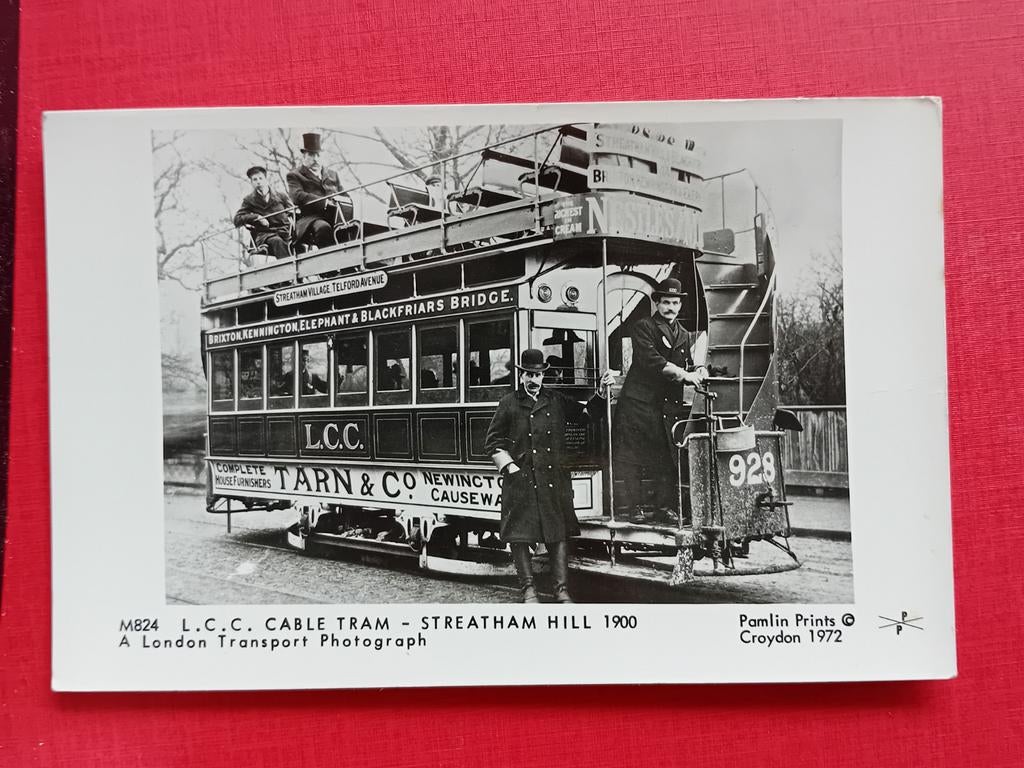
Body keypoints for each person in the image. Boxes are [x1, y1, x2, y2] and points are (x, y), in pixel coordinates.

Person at [485, 349, 615, 604]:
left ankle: (561, 591)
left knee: (557, 535)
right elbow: (492, 443)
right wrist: (510, 468)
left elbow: (586, 415)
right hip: (521, 481)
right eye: (529, 375)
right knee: (519, 536)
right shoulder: (508, 403)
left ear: (544, 375)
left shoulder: (556, 400)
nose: (533, 380)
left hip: (553, 480)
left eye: (538, 375)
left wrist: (601, 392)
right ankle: (528, 590)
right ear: (521, 375)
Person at [613, 278, 708, 525]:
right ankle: (634, 508)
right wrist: (685, 375)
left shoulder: (684, 334)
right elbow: (652, 361)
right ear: (657, 303)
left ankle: (663, 508)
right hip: (638, 405)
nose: (671, 307)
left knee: (666, 456)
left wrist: (699, 368)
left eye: (675, 302)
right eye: (666, 302)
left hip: (667, 406)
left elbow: (690, 361)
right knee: (634, 457)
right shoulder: (643, 327)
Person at [286, 132, 343, 249]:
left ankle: (351, 264)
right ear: (304, 156)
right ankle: (331, 263)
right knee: (323, 228)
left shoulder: (332, 174)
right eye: (311, 155)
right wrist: (323, 202)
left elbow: (344, 194)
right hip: (311, 218)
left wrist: (344, 202)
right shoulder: (295, 175)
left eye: (318, 155)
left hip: (335, 216)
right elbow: (296, 196)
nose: (316, 159)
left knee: (354, 227)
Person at [232, 166, 293, 261]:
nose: (258, 182)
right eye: (255, 179)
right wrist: (257, 217)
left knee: (300, 244)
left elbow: (293, 212)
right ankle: (289, 270)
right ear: (252, 183)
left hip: (284, 232)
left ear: (266, 179)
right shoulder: (249, 200)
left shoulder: (281, 196)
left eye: (261, 178)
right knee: (277, 241)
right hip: (265, 236)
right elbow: (237, 219)